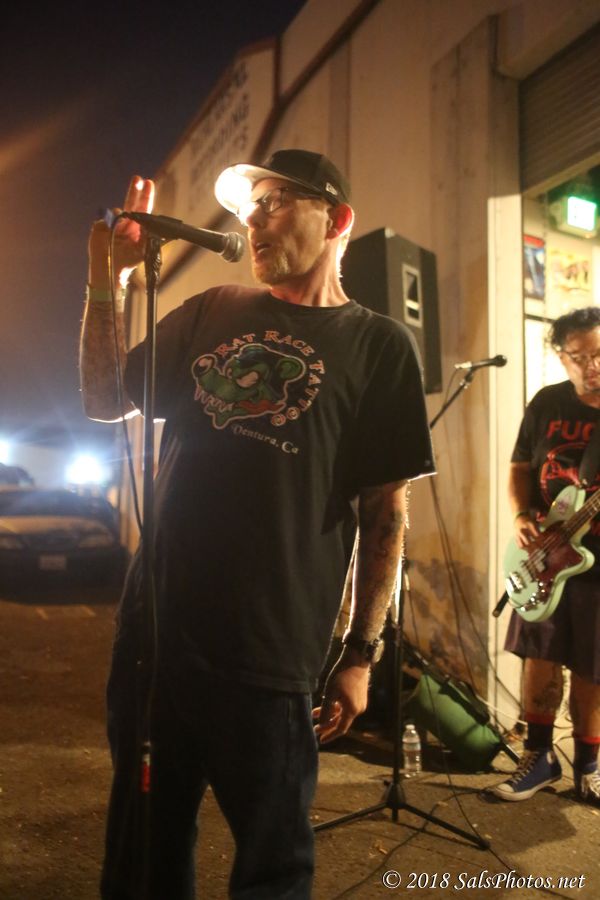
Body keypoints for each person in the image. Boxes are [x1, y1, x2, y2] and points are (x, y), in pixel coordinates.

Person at [79, 149, 435, 899]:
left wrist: (361, 653)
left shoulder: (378, 346)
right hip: (156, 641)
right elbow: (106, 397)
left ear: (336, 219)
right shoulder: (213, 310)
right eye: (250, 207)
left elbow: (385, 514)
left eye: (275, 201)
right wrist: (107, 282)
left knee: (273, 868)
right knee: (143, 855)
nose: (253, 220)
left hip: (270, 658)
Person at [493, 306, 600, 805]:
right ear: (562, 358)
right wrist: (520, 515)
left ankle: (589, 767)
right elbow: (519, 468)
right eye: (579, 357)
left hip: (597, 562)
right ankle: (538, 758)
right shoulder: (547, 403)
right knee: (540, 656)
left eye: (598, 353)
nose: (591, 365)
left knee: (592, 666)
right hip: (543, 552)